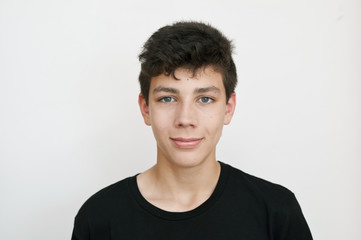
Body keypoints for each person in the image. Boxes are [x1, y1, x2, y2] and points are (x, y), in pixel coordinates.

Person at [71, 21, 313, 240]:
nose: (185, 119)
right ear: (146, 109)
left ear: (228, 108)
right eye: (167, 99)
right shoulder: (99, 218)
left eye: (205, 99)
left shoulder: (276, 210)